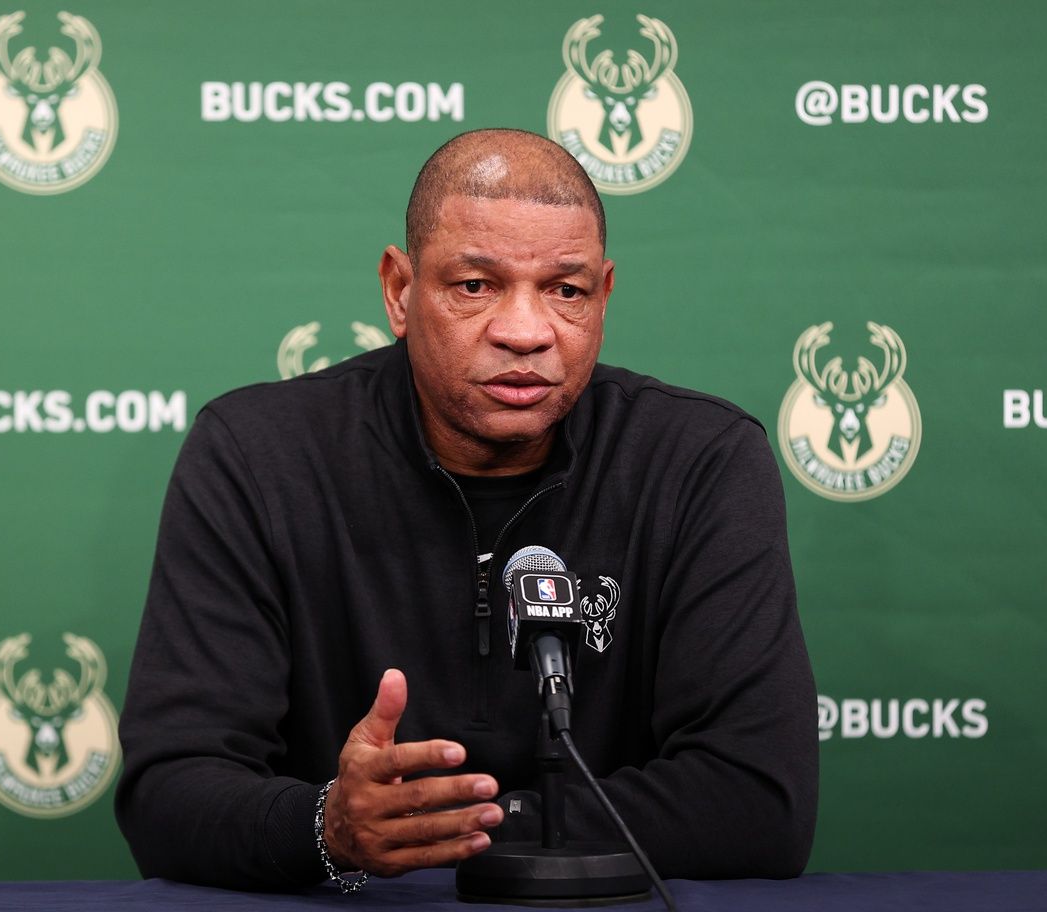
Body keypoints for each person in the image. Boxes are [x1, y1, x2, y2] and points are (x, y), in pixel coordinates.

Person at [115, 128, 817, 891]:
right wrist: (328, 826)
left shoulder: (698, 462)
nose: (526, 332)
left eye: (565, 290)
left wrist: (451, 827)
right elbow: (170, 793)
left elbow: (757, 802)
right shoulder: (258, 456)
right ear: (399, 291)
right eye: (475, 286)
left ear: (603, 296)